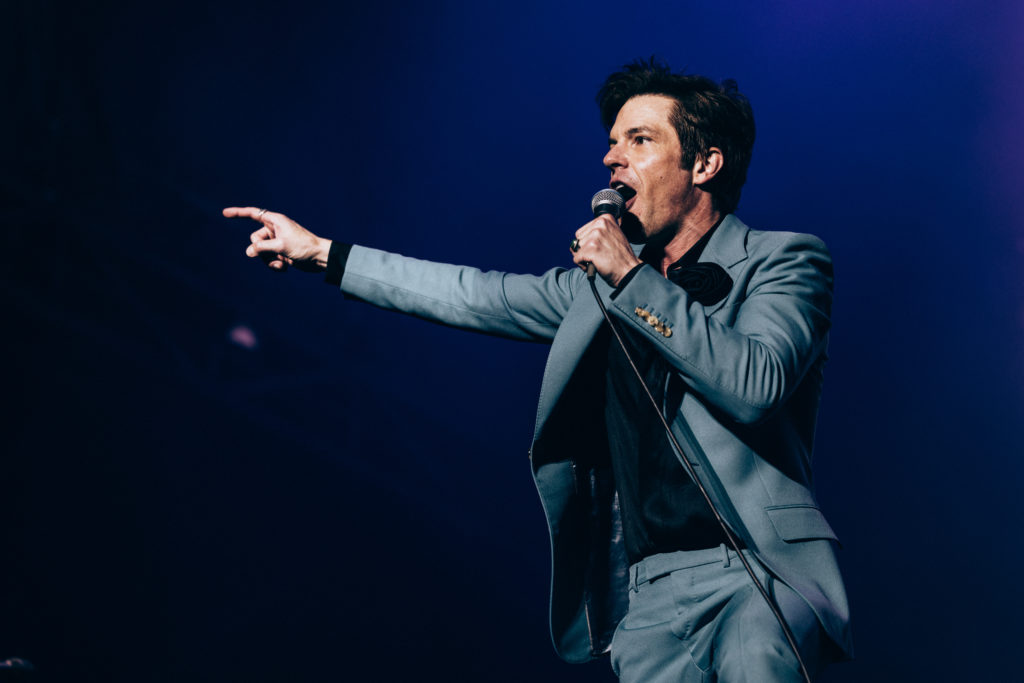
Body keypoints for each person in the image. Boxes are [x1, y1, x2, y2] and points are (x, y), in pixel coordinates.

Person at [225, 59, 852, 682]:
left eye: (639, 140)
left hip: (754, 571)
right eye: (612, 142)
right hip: (649, 599)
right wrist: (324, 254)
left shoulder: (782, 260)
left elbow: (755, 385)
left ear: (705, 164)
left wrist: (632, 277)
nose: (612, 158)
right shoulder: (596, 290)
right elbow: (474, 294)